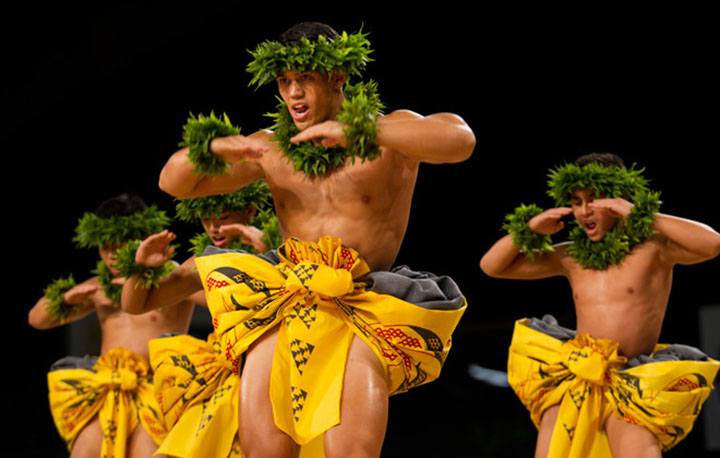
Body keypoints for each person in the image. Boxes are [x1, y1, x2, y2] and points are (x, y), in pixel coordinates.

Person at [159, 21, 475, 458]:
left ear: (338, 78)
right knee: (264, 451)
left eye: (304, 79)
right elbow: (174, 181)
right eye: (284, 82)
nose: (293, 93)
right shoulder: (270, 149)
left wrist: (362, 131)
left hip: (361, 306)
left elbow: (459, 139)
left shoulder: (388, 137)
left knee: (352, 452)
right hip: (284, 302)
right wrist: (213, 150)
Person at [480, 153, 720, 457]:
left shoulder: (655, 248)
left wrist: (643, 215)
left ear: (618, 199)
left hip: (631, 383)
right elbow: (492, 266)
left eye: (593, 199)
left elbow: (712, 243)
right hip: (577, 379)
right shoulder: (571, 257)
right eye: (576, 202)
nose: (583, 211)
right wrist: (530, 228)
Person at [121, 183, 280, 458]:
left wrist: (270, 248)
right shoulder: (203, 264)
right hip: (225, 375)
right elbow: (136, 305)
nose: (214, 228)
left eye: (223, 217)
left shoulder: (281, 246)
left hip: (274, 367)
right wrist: (141, 270)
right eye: (207, 218)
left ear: (249, 210)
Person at [28, 193, 190, 457]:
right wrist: (67, 298)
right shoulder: (99, 288)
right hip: (108, 391)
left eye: (120, 244)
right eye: (106, 247)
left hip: (156, 390)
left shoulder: (171, 280)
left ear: (142, 239)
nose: (112, 255)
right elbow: (37, 319)